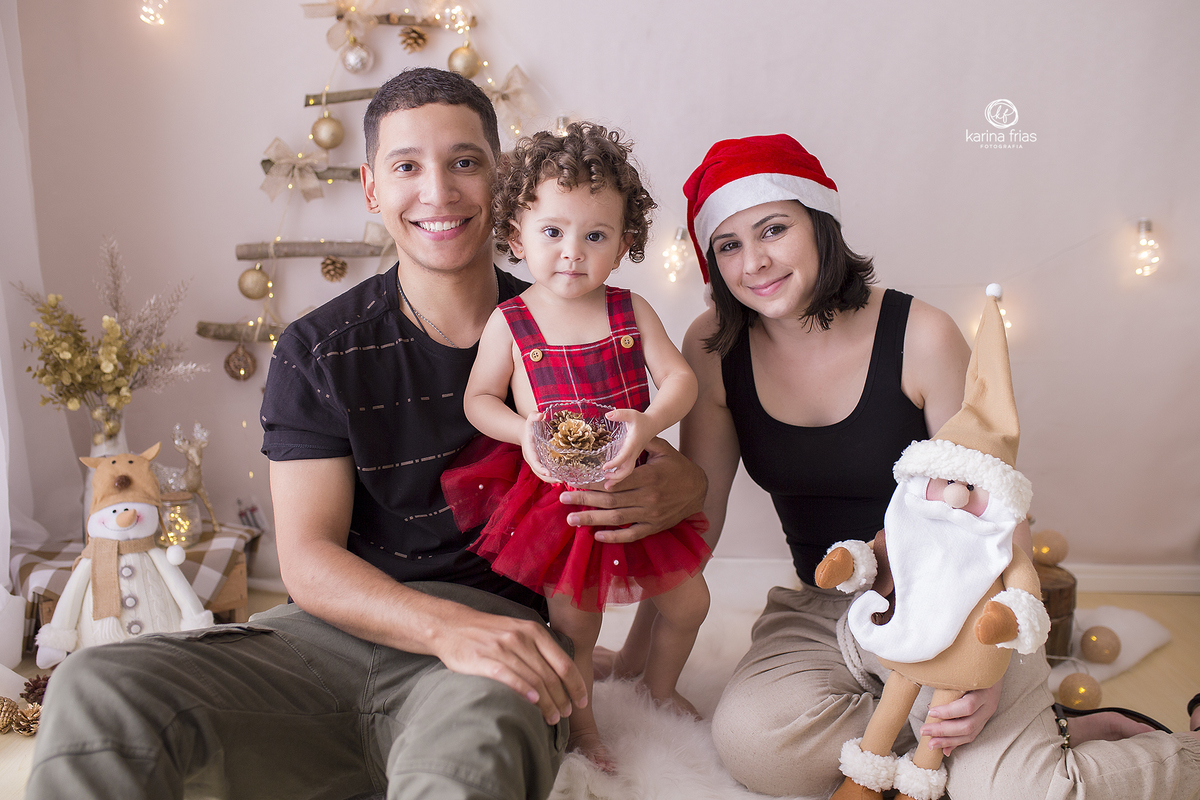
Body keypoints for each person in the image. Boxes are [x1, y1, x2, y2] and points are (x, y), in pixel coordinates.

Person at [26, 68, 706, 800]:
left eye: (465, 162)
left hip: (492, 651)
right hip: (325, 639)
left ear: (502, 180)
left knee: (467, 759)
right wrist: (440, 626)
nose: (439, 192)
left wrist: (680, 481)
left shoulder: (572, 322)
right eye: (407, 166)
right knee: (96, 684)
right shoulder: (320, 350)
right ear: (372, 187)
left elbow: (631, 442)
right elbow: (309, 560)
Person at [669, 133, 1200, 798]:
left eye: (774, 229)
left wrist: (983, 672)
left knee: (1014, 794)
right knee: (757, 746)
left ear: (820, 224)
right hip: (825, 606)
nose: (755, 261)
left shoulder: (921, 335)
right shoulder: (713, 344)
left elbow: (996, 508)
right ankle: (983, 737)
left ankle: (1173, 752)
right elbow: (700, 517)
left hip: (959, 606)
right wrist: (635, 665)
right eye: (730, 244)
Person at [441, 122, 711, 769]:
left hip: (635, 478)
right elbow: (479, 400)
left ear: (622, 246)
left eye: (596, 236)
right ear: (516, 237)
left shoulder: (630, 311)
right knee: (576, 625)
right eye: (553, 232)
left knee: (690, 600)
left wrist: (646, 423)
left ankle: (659, 687)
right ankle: (586, 729)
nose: (573, 252)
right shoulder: (511, 322)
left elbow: (680, 380)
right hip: (559, 496)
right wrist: (522, 430)